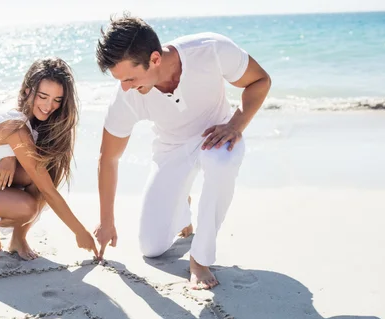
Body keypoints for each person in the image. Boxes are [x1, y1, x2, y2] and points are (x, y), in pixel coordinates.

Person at [94, 15, 271, 289]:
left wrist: (236, 125)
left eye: (130, 78)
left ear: (154, 59)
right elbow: (109, 157)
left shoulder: (211, 50)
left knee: (220, 162)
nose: (126, 87)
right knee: (151, 248)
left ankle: (200, 259)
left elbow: (260, 80)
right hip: (171, 149)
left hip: (217, 136)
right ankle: (182, 205)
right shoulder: (126, 95)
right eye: (121, 80)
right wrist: (107, 222)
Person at [0, 57, 98, 260]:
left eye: (57, 100)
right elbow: (47, 190)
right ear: (27, 91)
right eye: (43, 96)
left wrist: (9, 157)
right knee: (28, 207)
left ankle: (17, 239)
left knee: (49, 166)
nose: (49, 106)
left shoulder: (26, 119)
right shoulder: (16, 127)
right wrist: (80, 232)